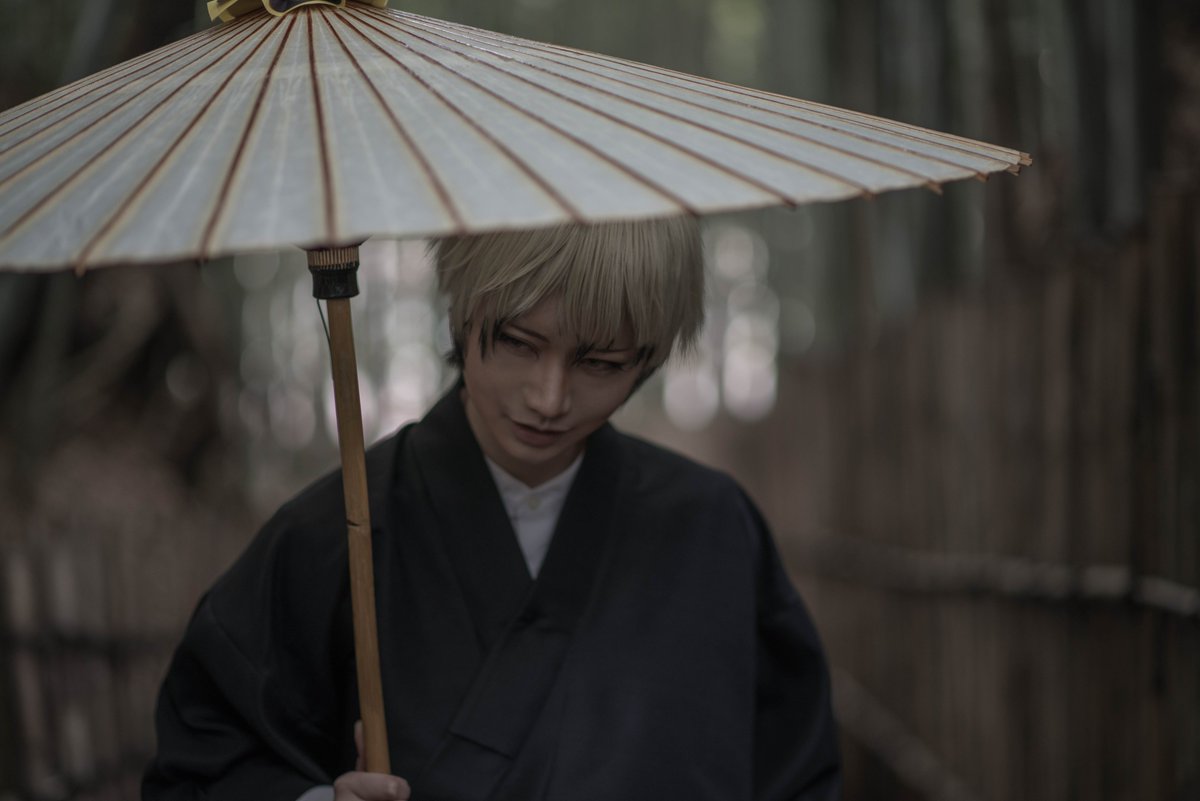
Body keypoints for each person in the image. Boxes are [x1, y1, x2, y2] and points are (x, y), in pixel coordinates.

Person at [143, 217, 841, 801]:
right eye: (518, 343)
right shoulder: (330, 535)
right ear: (461, 311)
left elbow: (798, 774)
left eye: (600, 363)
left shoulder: (713, 530)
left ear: (648, 361)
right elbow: (200, 764)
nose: (549, 398)